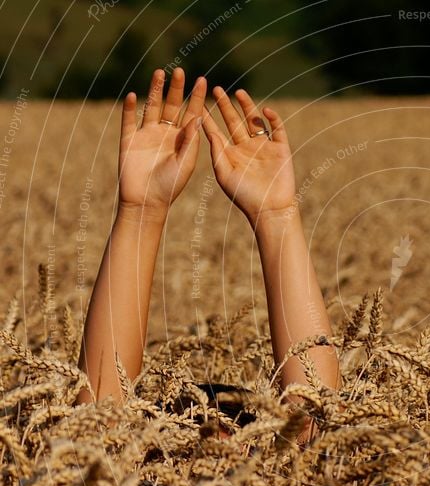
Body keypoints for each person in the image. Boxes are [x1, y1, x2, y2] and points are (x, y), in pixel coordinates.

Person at [76, 68, 340, 444]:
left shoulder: (297, 471)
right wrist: (140, 212)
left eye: (224, 434)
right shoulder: (124, 471)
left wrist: (276, 216)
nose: (215, 446)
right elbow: (97, 429)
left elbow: (316, 424)